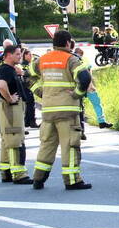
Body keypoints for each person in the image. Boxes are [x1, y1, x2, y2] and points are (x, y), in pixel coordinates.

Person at [29, 30, 92, 190]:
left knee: (47, 145)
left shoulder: (42, 59)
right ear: (68, 43)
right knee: (70, 145)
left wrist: (40, 92)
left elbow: (28, 75)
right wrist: (77, 94)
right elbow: (85, 78)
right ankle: (72, 180)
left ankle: (38, 178)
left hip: (48, 110)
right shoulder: (71, 59)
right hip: (67, 111)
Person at [0, 45, 32, 184]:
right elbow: (2, 85)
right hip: (11, 108)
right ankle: (19, 174)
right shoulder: (6, 70)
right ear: (8, 55)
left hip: (10, 108)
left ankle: (6, 171)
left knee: (7, 139)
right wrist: (10, 99)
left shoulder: (9, 70)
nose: (20, 56)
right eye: (17, 54)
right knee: (15, 138)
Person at [73, 47, 112, 129]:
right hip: (86, 86)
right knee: (96, 103)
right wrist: (91, 85)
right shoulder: (83, 60)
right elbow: (89, 73)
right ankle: (101, 121)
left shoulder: (72, 60)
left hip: (77, 86)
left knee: (80, 106)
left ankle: (99, 122)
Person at [20, 47, 38, 128]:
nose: (31, 56)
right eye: (29, 55)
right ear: (25, 55)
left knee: (28, 104)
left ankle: (27, 121)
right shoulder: (25, 65)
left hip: (25, 87)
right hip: (26, 87)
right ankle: (32, 122)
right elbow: (28, 74)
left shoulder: (25, 64)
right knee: (30, 104)